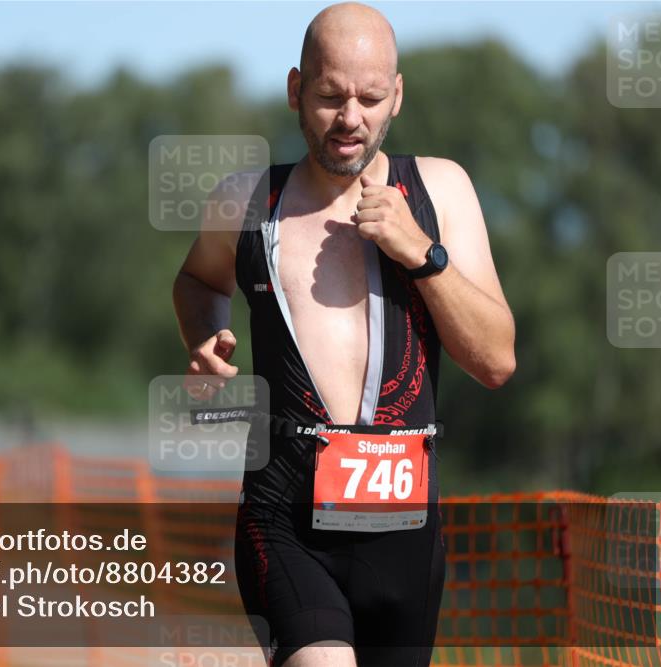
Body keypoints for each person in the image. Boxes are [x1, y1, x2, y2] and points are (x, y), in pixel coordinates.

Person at [172, 3, 516, 666]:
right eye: (330, 96)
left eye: (370, 97)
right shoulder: (245, 203)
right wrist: (205, 335)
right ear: (296, 89)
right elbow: (197, 281)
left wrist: (422, 252)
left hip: (407, 531)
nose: (350, 118)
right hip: (284, 518)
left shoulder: (441, 190)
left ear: (399, 96)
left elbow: (496, 360)